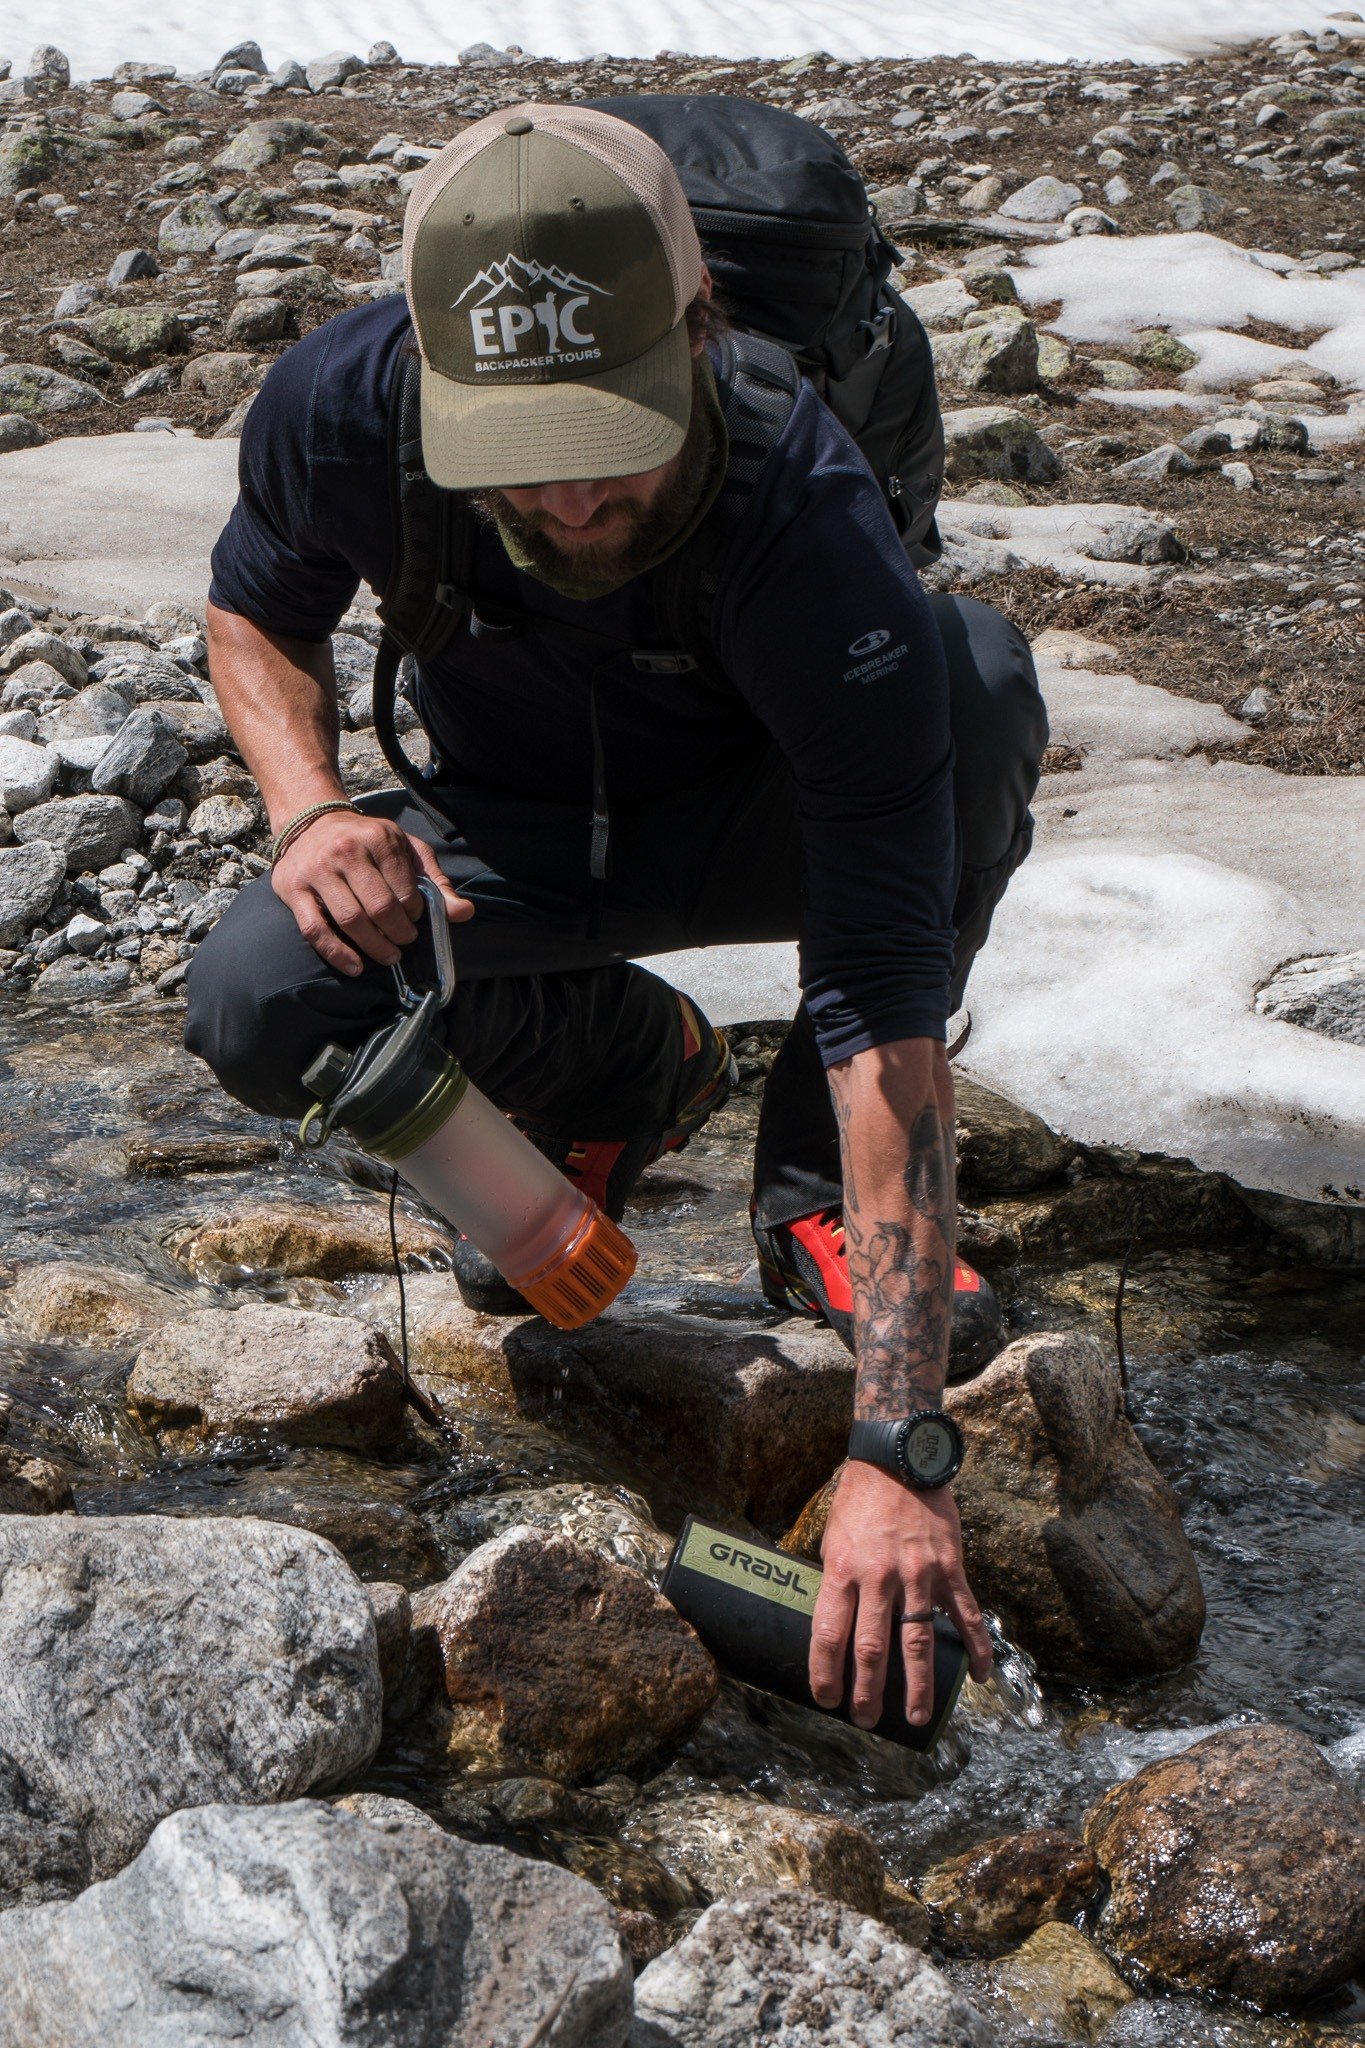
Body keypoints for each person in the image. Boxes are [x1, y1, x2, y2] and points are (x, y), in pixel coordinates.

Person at [185, 102, 1047, 1734]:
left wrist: (895, 1449)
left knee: (977, 681)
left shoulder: (804, 498)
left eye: (615, 438)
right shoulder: (336, 408)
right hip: (503, 825)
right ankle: (620, 1068)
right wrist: (308, 811)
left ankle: (803, 1205)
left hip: (758, 817)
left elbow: (879, 999)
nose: (574, 503)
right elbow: (252, 604)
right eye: (519, 459)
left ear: (697, 325)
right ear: (429, 380)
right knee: (253, 989)